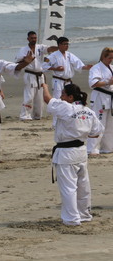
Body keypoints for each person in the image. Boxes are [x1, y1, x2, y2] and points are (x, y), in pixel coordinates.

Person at [42, 83, 103, 226]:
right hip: (81, 150)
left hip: (66, 152)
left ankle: (72, 219)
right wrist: (81, 133)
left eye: (63, 94)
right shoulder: (88, 111)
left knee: (68, 187)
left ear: (70, 97)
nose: (61, 97)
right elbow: (96, 132)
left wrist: (44, 86)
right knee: (83, 186)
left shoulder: (66, 107)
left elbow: (47, 99)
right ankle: (84, 215)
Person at [16, 31, 56, 120]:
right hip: (30, 74)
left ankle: (37, 115)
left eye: (35, 38)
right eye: (32, 38)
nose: (33, 39)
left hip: (40, 75)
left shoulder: (40, 47)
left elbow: (49, 49)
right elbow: (17, 61)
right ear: (28, 39)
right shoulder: (23, 49)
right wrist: (26, 59)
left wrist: (58, 47)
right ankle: (25, 115)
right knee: (29, 96)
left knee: (39, 97)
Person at [86, 47, 113, 155]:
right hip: (99, 98)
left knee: (110, 125)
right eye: (109, 57)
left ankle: (107, 148)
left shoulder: (111, 67)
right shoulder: (96, 68)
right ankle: (91, 149)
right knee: (98, 124)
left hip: (110, 98)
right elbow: (93, 83)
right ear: (103, 57)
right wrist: (107, 82)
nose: (111, 60)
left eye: (112, 58)